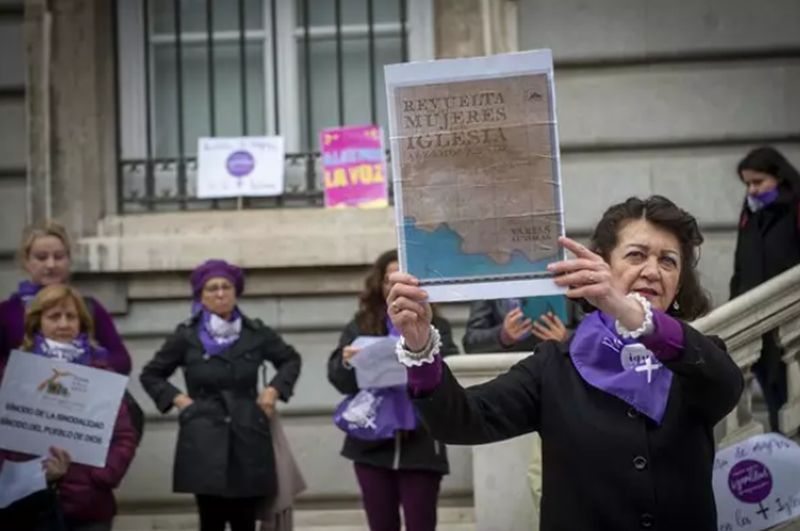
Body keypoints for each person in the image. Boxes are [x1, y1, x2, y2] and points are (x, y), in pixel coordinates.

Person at [387, 196, 744, 531]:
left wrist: (636, 316)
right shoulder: (555, 365)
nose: (652, 270)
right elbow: (459, 421)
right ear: (600, 265)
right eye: (636, 255)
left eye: (668, 261)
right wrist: (420, 347)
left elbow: (727, 386)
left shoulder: (698, 358)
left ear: (679, 285)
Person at [140, 260, 303, 531]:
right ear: (200, 296)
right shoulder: (187, 335)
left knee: (245, 521)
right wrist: (181, 401)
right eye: (212, 288)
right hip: (203, 436)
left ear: (235, 291)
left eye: (226, 287)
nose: (220, 294)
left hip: (248, 435)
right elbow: (151, 374)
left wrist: (273, 390)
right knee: (211, 520)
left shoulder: (255, 332)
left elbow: (290, 360)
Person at [328, 250, 459, 531]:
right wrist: (348, 362)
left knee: (421, 523)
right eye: (389, 279)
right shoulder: (361, 323)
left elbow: (452, 373)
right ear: (380, 285)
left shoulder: (437, 325)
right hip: (371, 444)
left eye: (402, 278)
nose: (395, 285)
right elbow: (339, 380)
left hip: (422, 442)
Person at [0, 284, 138, 531]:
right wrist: (33, 474)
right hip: (26, 507)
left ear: (81, 323)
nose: (63, 324)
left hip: (88, 506)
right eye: (54, 316)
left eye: (71, 316)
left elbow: (124, 436)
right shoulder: (14, 374)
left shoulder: (101, 372)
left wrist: (101, 476)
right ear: (37, 322)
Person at [0, 221, 132, 376]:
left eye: (58, 257)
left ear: (69, 260)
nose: (51, 264)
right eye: (41, 257)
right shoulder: (7, 312)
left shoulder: (89, 307)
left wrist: (90, 364)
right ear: (26, 261)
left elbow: (122, 361)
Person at [730, 146, 800, 432]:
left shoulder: (795, 209)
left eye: (758, 182)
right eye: (747, 183)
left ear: (779, 177)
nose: (752, 190)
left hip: (790, 320)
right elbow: (740, 266)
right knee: (775, 401)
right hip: (758, 325)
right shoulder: (750, 213)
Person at [462, 299, 571, 354]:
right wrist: (502, 336)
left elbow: (580, 329)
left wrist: (567, 341)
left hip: (556, 367)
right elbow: (470, 342)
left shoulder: (567, 277)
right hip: (510, 371)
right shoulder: (489, 281)